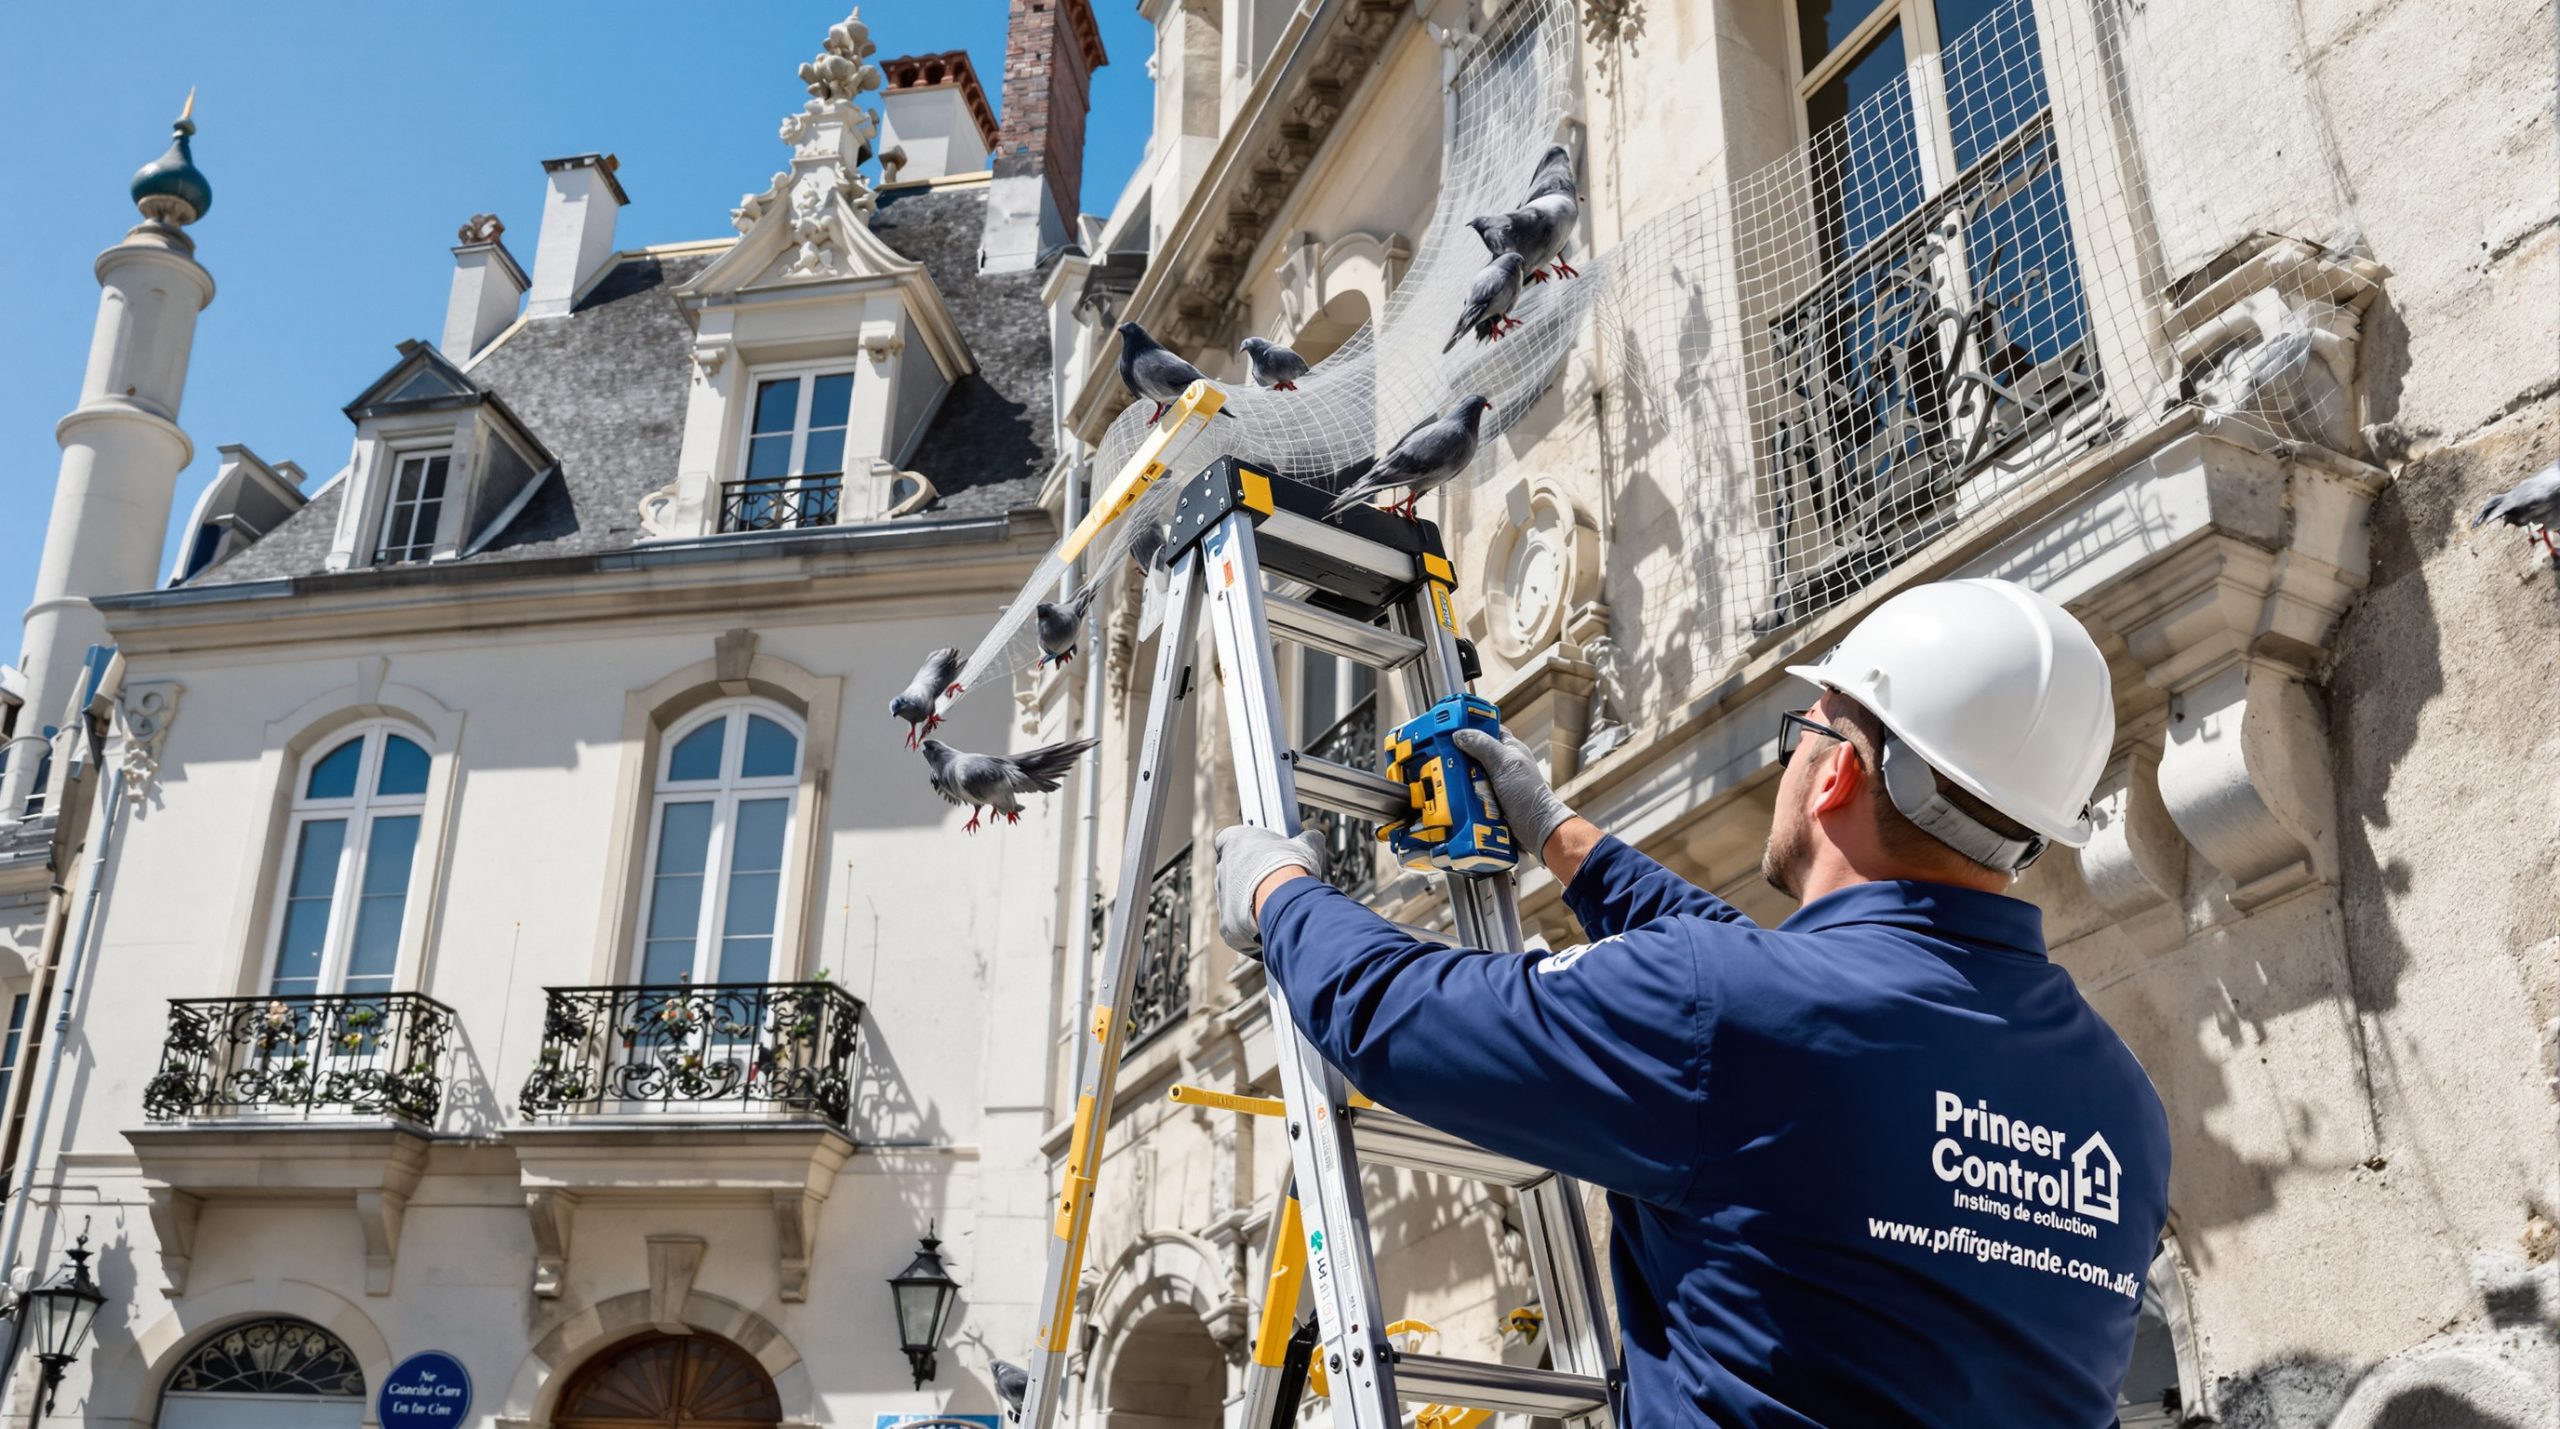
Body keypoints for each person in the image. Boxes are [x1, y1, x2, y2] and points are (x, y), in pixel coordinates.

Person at [1213, 578, 2172, 1427]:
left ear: (1837, 771)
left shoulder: (1731, 1011)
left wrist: (1278, 891)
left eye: (1805, 731)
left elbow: (1399, 1014)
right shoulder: (2125, 1104)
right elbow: (1758, 995)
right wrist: (1561, 836)